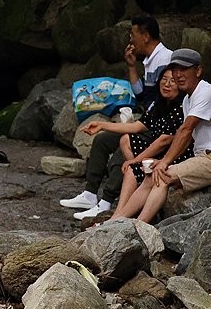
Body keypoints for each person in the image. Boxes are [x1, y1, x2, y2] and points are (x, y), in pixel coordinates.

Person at [111, 49, 211, 224]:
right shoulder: (188, 99)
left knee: (162, 177)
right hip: (204, 156)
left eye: (184, 69)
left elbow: (186, 130)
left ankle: (137, 227)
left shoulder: (207, 92)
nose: (178, 74)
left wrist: (164, 162)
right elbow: (187, 137)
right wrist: (164, 160)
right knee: (152, 176)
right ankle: (115, 222)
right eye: (174, 69)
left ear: (198, 70)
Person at [62, 66, 192, 220]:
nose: (167, 84)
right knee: (112, 140)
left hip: (172, 154)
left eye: (173, 81)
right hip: (154, 145)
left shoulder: (181, 107)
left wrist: (135, 160)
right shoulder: (160, 104)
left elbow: (164, 141)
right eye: (164, 79)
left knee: (128, 158)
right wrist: (102, 125)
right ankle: (104, 205)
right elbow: (136, 126)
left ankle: (109, 204)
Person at [123, 15, 173, 111]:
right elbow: (140, 94)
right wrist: (131, 67)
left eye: (132, 35)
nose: (131, 40)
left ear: (146, 37)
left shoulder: (164, 60)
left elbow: (164, 100)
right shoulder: (150, 60)